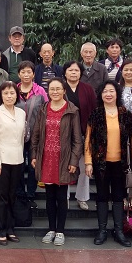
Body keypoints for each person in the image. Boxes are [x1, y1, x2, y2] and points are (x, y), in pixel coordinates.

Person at [85, 81, 132, 247]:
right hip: (100, 163)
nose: (108, 94)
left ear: (117, 94)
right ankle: (102, 231)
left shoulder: (125, 114)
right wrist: (88, 162)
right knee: (102, 196)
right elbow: (88, 140)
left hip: (120, 164)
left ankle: (119, 231)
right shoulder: (96, 114)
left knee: (118, 196)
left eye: (111, 91)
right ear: (100, 95)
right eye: (105, 91)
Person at [31, 78, 83, 246]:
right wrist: (34, 155)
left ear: (64, 91)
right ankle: (51, 229)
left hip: (63, 160)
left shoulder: (72, 110)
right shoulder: (43, 109)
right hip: (46, 158)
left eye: (58, 89)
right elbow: (36, 135)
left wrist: (74, 160)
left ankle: (60, 231)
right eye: (51, 89)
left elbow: (77, 139)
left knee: (61, 197)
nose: (54, 92)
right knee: (49, 197)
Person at [0, 81, 26, 245]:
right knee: (1, 197)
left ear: (17, 95)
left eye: (12, 93)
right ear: (1, 96)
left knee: (12, 196)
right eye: (6, 93)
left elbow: (22, 138)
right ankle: (0, 229)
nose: (9, 96)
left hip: (17, 159)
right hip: (1, 161)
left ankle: (10, 228)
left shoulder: (21, 113)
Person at [63, 60, 97, 211]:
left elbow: (94, 110)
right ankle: (64, 198)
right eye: (70, 70)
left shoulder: (88, 89)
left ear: (81, 73)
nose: (73, 73)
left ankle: (82, 197)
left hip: (84, 133)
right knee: (64, 167)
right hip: (64, 134)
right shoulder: (60, 88)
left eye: (76, 70)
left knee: (84, 167)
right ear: (65, 73)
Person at [16, 60, 46, 204]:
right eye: (23, 72)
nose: (26, 75)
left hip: (36, 134)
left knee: (34, 165)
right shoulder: (13, 90)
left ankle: (31, 194)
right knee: (19, 165)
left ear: (34, 74)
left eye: (29, 72)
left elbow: (46, 111)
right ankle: (20, 194)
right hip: (17, 135)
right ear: (19, 74)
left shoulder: (40, 91)